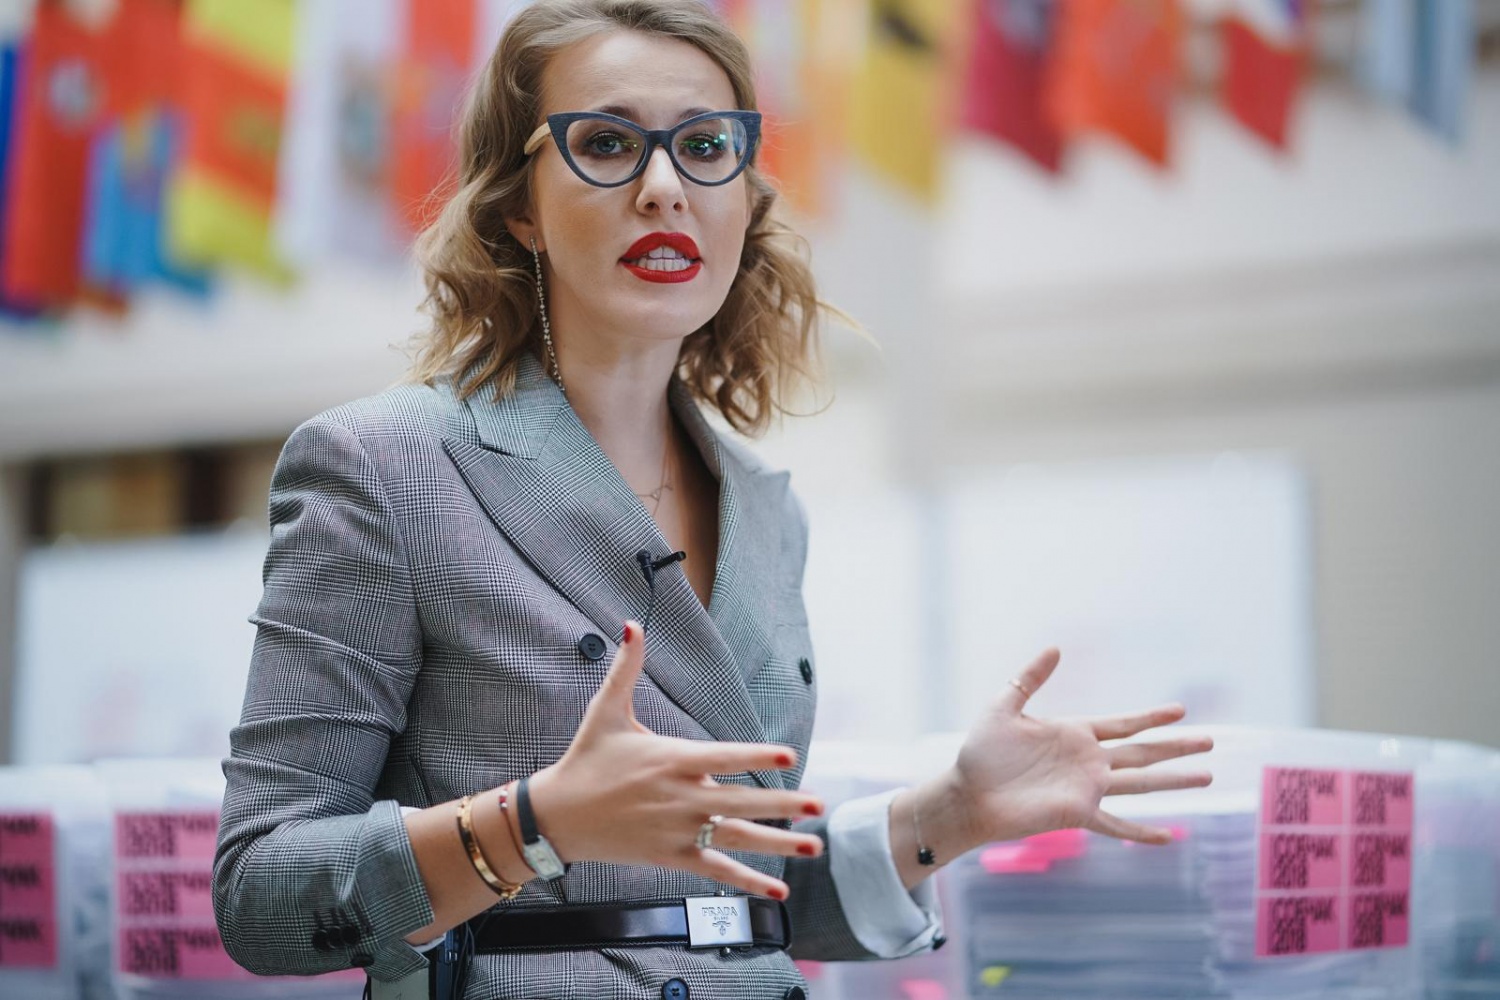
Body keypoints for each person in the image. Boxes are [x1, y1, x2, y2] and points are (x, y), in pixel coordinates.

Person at [212, 2, 1213, 998]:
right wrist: (536, 824)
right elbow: (261, 894)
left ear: (743, 197)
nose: (664, 187)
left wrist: (950, 812)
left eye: (703, 147)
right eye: (606, 143)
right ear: (520, 207)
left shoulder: (765, 509)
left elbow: (724, 896)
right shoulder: (384, 466)